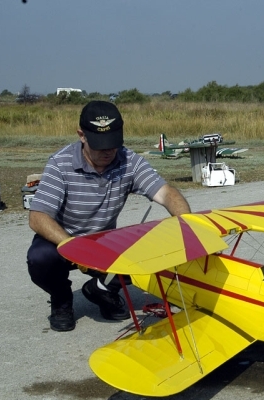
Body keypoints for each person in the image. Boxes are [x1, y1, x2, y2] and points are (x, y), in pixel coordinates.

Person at [26, 101, 191, 332]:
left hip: (103, 240)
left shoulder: (129, 160)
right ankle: (61, 299)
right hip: (63, 240)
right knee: (40, 258)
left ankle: (102, 290)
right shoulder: (60, 163)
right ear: (82, 136)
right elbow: (38, 216)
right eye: (100, 145)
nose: (108, 151)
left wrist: (188, 227)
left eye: (113, 144)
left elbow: (166, 194)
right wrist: (75, 248)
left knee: (157, 243)